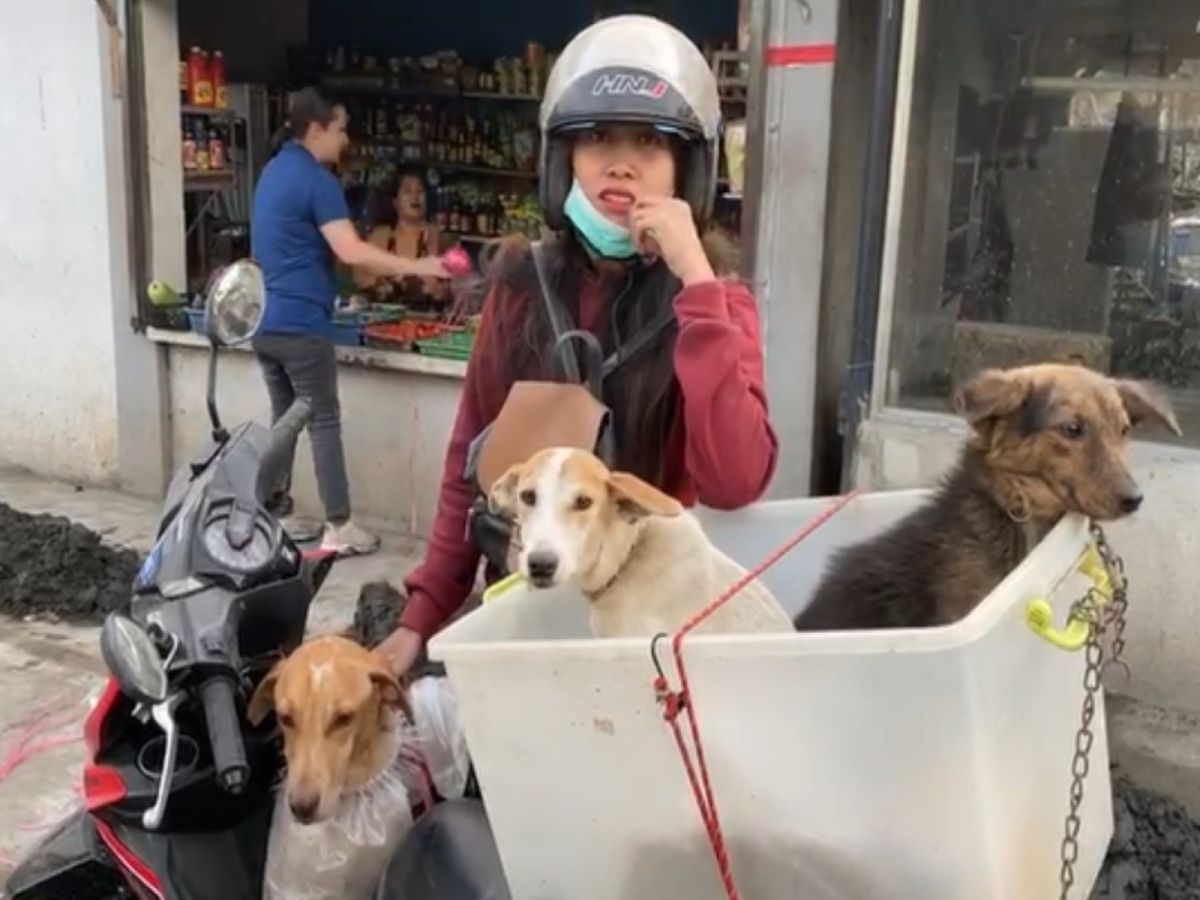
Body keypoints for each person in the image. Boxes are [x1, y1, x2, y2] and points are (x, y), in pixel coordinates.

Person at [377, 16, 778, 673]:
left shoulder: (715, 304)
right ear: (563, 160)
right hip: (529, 605)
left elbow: (735, 480)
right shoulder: (519, 286)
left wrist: (697, 284)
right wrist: (420, 619)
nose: (621, 163)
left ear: (689, 171)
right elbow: (468, 463)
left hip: (652, 630)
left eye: (649, 142)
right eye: (597, 139)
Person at [252, 87, 448, 555]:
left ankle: (268, 511)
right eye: (339, 130)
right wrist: (422, 267)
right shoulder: (317, 181)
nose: (344, 141)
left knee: (285, 419)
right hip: (301, 322)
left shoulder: (272, 172)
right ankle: (339, 525)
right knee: (322, 420)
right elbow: (351, 251)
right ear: (316, 129)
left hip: (264, 320)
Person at [354, 170, 448, 306]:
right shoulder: (380, 236)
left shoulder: (438, 237)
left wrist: (438, 290)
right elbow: (360, 278)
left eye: (420, 191)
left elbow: (458, 288)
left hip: (426, 321)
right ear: (395, 201)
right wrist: (378, 284)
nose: (415, 196)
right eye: (407, 191)